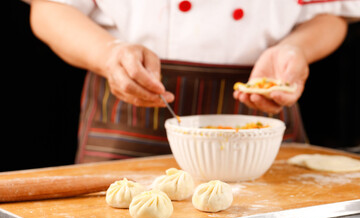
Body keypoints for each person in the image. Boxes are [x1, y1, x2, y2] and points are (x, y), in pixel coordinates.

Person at [28, 0, 360, 163]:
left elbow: (329, 14)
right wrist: (108, 54)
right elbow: (49, 8)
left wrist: (295, 49)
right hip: (130, 109)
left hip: (260, 110)